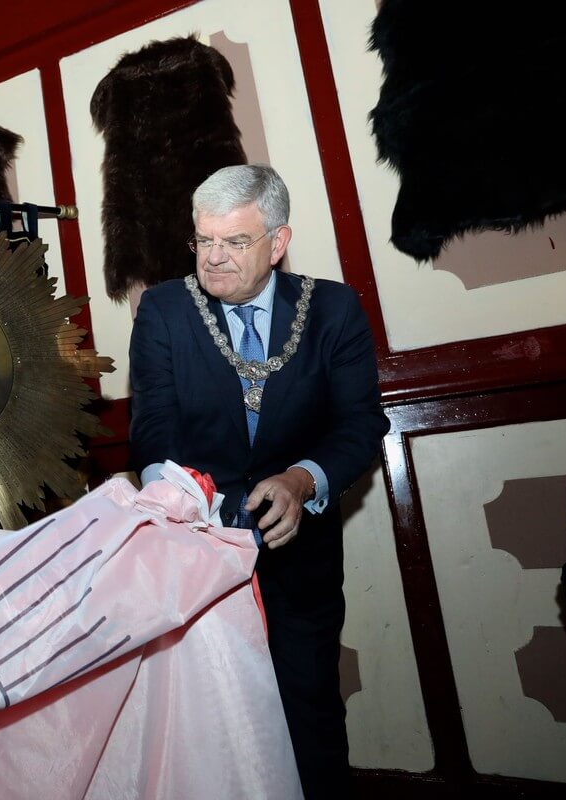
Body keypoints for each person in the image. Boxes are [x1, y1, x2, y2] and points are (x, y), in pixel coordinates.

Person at [129, 164, 390, 798]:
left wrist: (302, 481)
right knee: (212, 730)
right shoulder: (165, 310)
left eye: (234, 242)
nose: (213, 259)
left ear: (277, 243)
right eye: (203, 241)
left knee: (309, 716)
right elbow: (152, 434)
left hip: (299, 562)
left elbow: (361, 425)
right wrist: (198, 507)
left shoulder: (331, 308)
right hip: (197, 563)